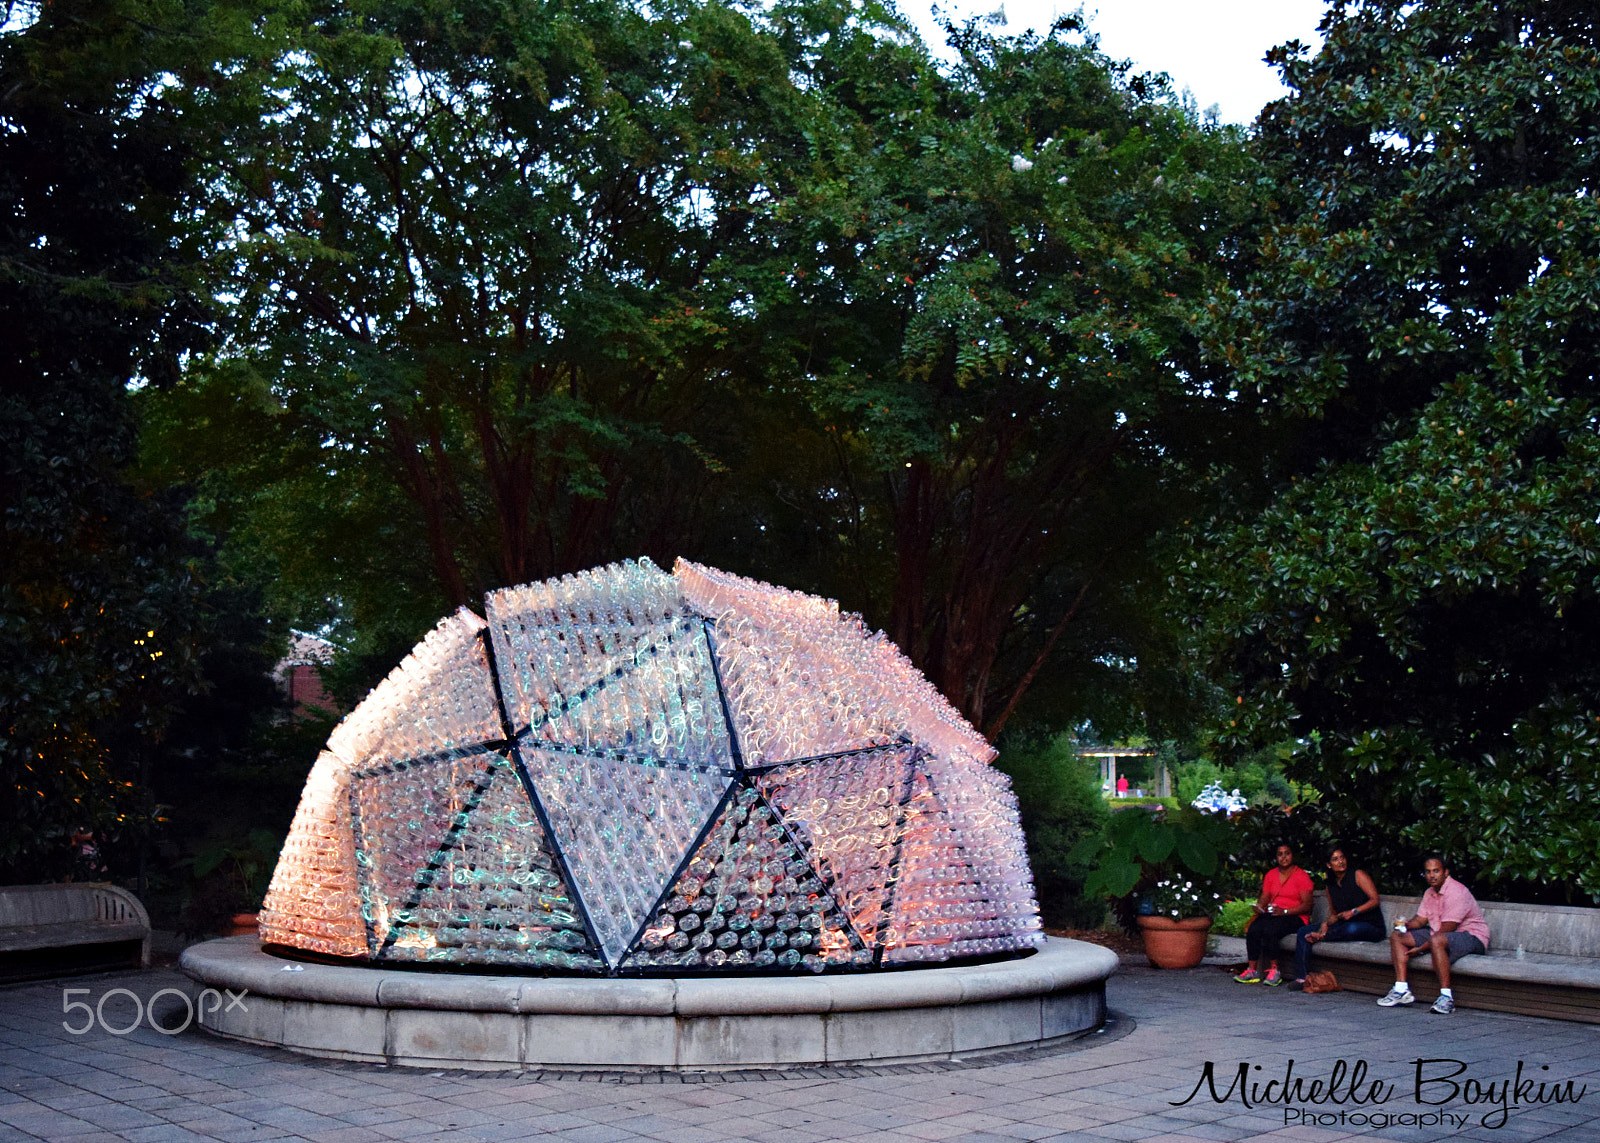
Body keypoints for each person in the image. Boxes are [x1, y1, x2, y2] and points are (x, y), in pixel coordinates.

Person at [1378, 854, 1491, 1015]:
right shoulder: (1429, 893)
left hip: (1472, 936)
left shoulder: (1457, 892)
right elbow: (1420, 920)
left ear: (1446, 872)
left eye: (1436, 871)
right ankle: (1401, 989)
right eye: (1428, 872)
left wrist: (1421, 948)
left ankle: (1446, 997)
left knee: (1437, 939)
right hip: (1439, 935)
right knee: (1397, 936)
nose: (1432, 875)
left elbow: (1447, 929)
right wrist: (1404, 925)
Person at [1288, 846, 1384, 990]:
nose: (1340, 862)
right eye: (1335, 859)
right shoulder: (1330, 885)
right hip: (1343, 926)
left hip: (1370, 926)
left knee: (1351, 928)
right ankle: (1302, 978)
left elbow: (1375, 900)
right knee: (1303, 931)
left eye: (1342, 858)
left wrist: (1354, 912)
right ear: (1329, 865)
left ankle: (1321, 937)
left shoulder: (1358, 875)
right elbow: (1335, 913)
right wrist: (1327, 923)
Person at [1235, 843, 1314, 986]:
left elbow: (1307, 905)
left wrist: (1285, 911)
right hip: (1274, 914)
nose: (1284, 857)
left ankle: (1274, 971)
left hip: (1295, 916)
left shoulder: (1301, 876)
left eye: (1287, 853)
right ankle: (1252, 970)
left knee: (1271, 930)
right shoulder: (1271, 874)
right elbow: (1266, 895)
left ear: (1292, 855)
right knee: (1254, 928)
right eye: (1280, 854)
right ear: (1276, 857)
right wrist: (1260, 906)